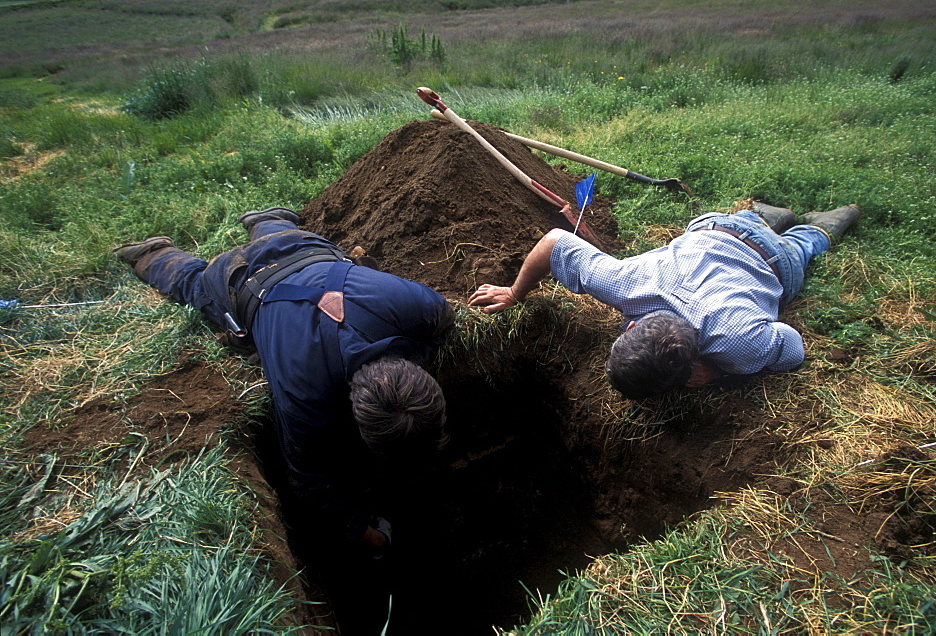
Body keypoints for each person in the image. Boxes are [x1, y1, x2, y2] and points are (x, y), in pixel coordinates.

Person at [114, 207, 455, 557]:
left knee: (276, 238)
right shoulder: (303, 395)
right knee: (191, 283)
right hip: (237, 281)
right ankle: (151, 253)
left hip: (299, 245)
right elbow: (309, 480)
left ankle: (266, 220)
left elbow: (445, 321)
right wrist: (366, 534)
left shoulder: (415, 306)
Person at [469, 202, 860, 398]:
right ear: (634, 326)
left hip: (771, 261)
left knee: (803, 244)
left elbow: (794, 348)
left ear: (694, 372)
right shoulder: (622, 283)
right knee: (751, 224)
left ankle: (822, 226)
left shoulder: (737, 344)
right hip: (715, 227)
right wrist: (514, 292)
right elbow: (555, 240)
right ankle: (763, 215)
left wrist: (722, 372)